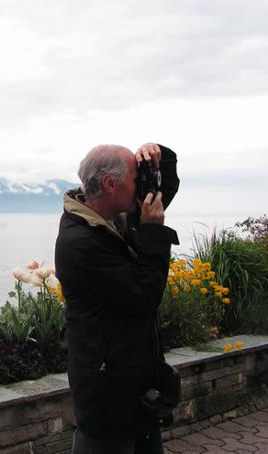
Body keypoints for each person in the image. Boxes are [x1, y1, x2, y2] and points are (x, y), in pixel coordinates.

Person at [55, 143, 180, 454]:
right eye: (137, 178)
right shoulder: (81, 243)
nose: (142, 188)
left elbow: (162, 191)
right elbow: (143, 295)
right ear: (111, 185)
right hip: (107, 397)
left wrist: (158, 156)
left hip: (136, 387)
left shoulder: (115, 220)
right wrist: (152, 234)